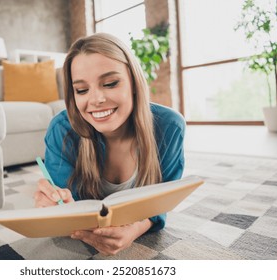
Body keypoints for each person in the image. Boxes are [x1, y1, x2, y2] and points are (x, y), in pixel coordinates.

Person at [33, 33, 185, 256]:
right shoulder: (62, 130)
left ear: (133, 82)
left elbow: (162, 202)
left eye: (111, 83)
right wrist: (54, 209)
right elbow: (65, 211)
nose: (96, 99)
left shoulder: (170, 127)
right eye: (82, 90)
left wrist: (137, 227)